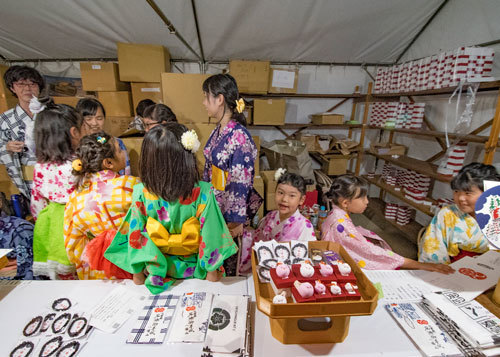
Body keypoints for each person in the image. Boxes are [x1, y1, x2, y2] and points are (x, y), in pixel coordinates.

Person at [104, 123, 238, 295]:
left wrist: (137, 275)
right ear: (187, 158)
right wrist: (211, 275)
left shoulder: (141, 193)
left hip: (158, 273)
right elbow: (211, 237)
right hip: (196, 273)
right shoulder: (203, 193)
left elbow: (135, 236)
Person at [322, 174, 454, 274]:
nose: (367, 202)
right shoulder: (341, 224)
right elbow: (370, 252)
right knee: (378, 257)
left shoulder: (336, 214)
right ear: (345, 203)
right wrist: (417, 264)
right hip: (338, 265)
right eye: (362, 198)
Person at [201, 73, 261, 276]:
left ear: (219, 99)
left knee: (225, 267)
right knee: (212, 265)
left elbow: (240, 182)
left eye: (206, 97)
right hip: (214, 205)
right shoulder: (217, 130)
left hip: (228, 214)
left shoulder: (239, 136)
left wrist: (233, 222)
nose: (203, 103)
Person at [64, 132, 138, 280]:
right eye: (119, 149)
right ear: (108, 163)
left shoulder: (75, 198)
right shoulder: (131, 185)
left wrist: (91, 267)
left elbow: (72, 243)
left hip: (102, 266)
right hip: (136, 261)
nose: (123, 152)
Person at [30, 97, 84, 279]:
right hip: (78, 224)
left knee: (64, 275)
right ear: (74, 132)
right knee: (84, 268)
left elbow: (36, 205)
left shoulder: (40, 166)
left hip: (54, 228)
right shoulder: (79, 165)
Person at [419, 163, 500, 264]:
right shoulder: (447, 214)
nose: (460, 198)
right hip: (454, 267)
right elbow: (433, 249)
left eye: (467, 193)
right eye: (457, 191)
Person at [239, 170, 316, 274]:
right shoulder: (271, 216)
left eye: (292, 196)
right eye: (280, 193)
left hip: (286, 275)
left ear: (301, 200)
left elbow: (303, 260)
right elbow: (257, 240)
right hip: (261, 269)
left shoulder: (305, 226)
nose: (284, 199)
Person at [0, 65, 45, 199]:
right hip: (25, 175)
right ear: (12, 88)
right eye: (21, 84)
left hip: (54, 172)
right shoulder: (5, 119)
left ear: (39, 87)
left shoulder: (51, 114)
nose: (27, 88)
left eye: (32, 84)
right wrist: (7, 147)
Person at [75, 97, 131, 175]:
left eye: (99, 118)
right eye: (89, 119)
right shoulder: (76, 146)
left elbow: (127, 173)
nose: (94, 123)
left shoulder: (115, 143)